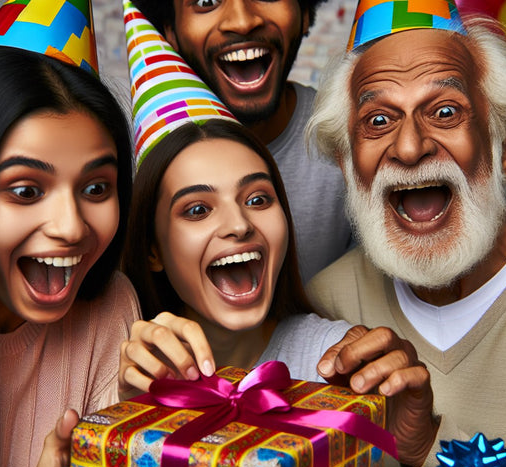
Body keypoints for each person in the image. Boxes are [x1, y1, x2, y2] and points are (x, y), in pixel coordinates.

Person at [119, 118, 438, 467]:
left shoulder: (339, 366)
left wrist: (406, 450)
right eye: (198, 210)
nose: (240, 225)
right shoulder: (128, 366)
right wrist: (128, 410)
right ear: (153, 250)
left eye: (258, 199)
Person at [305, 2, 506, 467]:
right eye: (378, 120)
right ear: (346, 163)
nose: (408, 146)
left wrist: (426, 451)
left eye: (444, 111)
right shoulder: (325, 308)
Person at [0, 10, 154, 467]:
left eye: (96, 188)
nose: (71, 227)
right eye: (26, 191)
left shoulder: (110, 306)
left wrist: (150, 418)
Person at [131, 0, 352, 284]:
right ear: (169, 29)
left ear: (305, 12)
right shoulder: (123, 162)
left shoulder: (352, 145)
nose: (242, 21)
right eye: (206, 2)